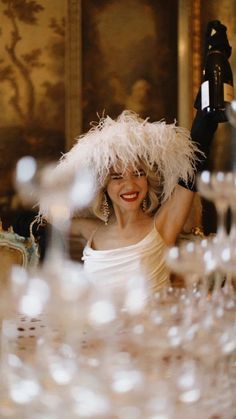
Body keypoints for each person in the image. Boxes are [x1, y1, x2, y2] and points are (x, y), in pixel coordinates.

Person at [38, 108, 218, 292]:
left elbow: (191, 171)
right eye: (117, 177)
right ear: (104, 187)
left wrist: (206, 117)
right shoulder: (91, 230)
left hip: (150, 320)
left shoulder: (162, 226)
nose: (130, 185)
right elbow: (51, 217)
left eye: (138, 174)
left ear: (148, 180)